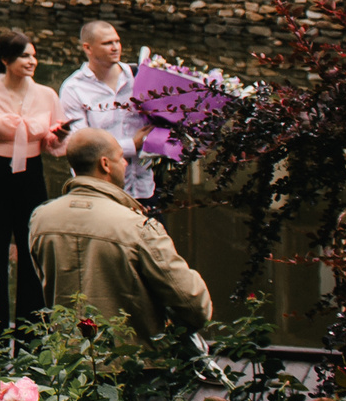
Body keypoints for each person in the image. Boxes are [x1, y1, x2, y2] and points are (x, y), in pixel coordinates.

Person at [30, 128, 211, 341]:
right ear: (105, 164)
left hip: (67, 360)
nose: (125, 163)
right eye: (121, 157)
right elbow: (192, 303)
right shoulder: (136, 226)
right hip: (131, 361)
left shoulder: (41, 219)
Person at [0, 28, 69, 325]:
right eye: (24, 56)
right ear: (5, 59)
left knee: (32, 253)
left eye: (33, 55)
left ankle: (31, 333)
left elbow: (54, 147)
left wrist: (59, 136)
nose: (32, 61)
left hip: (31, 176)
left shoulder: (47, 95)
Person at [59, 21, 154, 203]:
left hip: (145, 186)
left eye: (117, 41)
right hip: (103, 190)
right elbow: (83, 145)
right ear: (88, 48)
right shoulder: (74, 88)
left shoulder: (138, 78)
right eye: (107, 43)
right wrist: (131, 145)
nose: (115, 48)